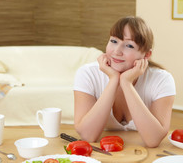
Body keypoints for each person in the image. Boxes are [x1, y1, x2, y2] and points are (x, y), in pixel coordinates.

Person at [73, 16, 176, 147]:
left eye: (129, 45)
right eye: (114, 41)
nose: (116, 51)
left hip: (144, 154)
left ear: (147, 55)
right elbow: (88, 136)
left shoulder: (162, 80)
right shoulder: (87, 74)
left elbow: (153, 140)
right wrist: (113, 80)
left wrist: (126, 83)